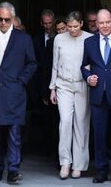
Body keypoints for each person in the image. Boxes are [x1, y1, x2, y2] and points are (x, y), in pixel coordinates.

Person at [0, 2, 37, 184]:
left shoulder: (23, 39)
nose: (3, 23)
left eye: (7, 19)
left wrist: (21, 81)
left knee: (14, 134)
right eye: (0, 19)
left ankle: (13, 170)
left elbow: (32, 63)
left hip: (15, 93)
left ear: (12, 19)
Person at [49, 11, 92, 179]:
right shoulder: (59, 39)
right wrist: (52, 87)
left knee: (81, 124)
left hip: (83, 84)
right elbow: (54, 64)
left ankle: (79, 165)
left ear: (81, 23)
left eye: (75, 26)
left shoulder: (89, 38)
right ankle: (65, 162)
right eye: (69, 27)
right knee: (65, 122)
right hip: (63, 84)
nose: (72, 30)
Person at [81, 9, 111, 183]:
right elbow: (83, 66)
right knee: (99, 135)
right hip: (98, 95)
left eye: (108, 22)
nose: (105, 26)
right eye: (101, 23)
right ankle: (101, 170)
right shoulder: (89, 42)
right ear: (96, 24)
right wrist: (88, 77)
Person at [42, 16, 68, 157]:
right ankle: (59, 157)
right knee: (58, 122)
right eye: (58, 30)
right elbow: (47, 68)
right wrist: (46, 92)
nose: (61, 32)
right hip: (56, 87)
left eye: (63, 28)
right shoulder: (52, 43)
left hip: (75, 86)